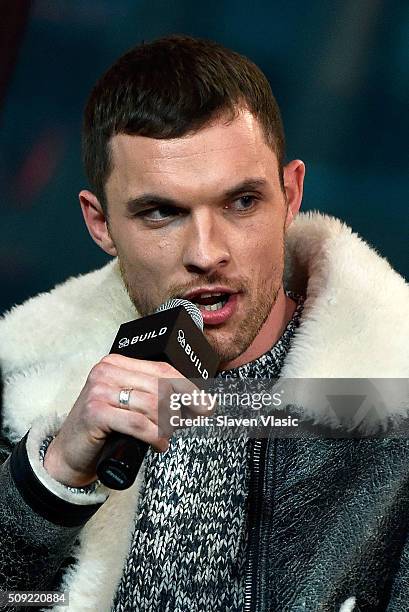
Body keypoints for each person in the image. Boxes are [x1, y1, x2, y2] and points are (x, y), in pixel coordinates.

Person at [0, 35, 408, 612]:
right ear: (100, 224)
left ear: (291, 195)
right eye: (161, 212)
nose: (206, 252)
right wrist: (53, 478)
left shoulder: (392, 411)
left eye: (241, 202)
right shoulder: (23, 386)